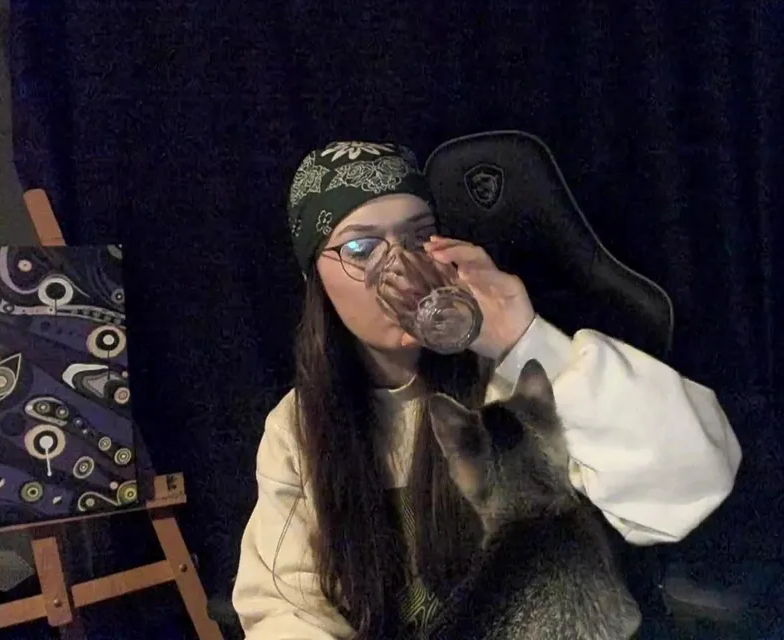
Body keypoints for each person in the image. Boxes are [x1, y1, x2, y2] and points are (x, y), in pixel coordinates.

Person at [232, 141, 742, 638]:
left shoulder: (509, 389)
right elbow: (282, 608)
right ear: (316, 277)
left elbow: (694, 478)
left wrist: (524, 340)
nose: (400, 266)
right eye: (362, 248)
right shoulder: (299, 427)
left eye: (418, 238)